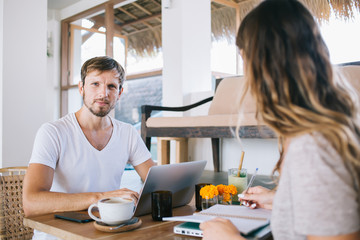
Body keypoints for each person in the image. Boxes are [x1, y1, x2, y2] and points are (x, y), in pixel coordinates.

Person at [200, 0, 360, 240]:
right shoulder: (314, 132)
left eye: (245, 60)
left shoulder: (314, 146)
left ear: (263, 65)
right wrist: (282, 198)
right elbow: (325, 199)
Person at [23, 56, 155, 239]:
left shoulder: (128, 133)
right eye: (95, 84)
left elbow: (158, 183)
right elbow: (31, 203)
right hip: (58, 235)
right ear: (81, 88)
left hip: (105, 233)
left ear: (120, 92)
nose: (103, 93)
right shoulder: (52, 132)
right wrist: (101, 197)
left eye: (111, 86)